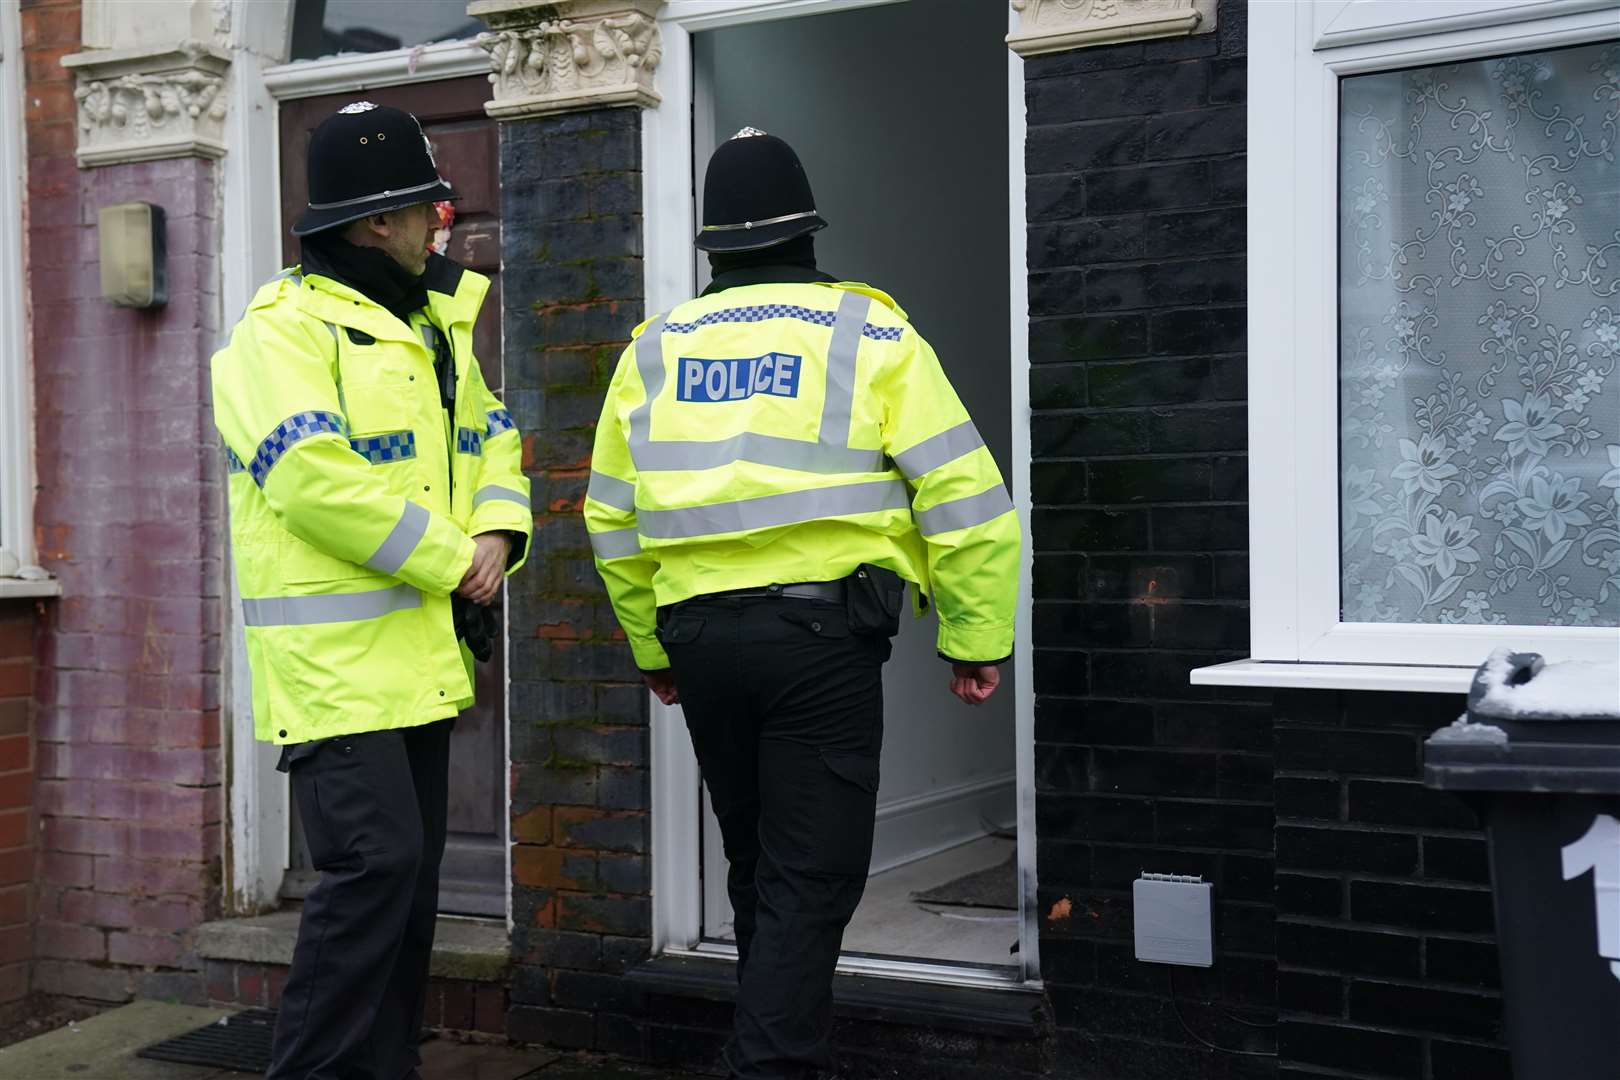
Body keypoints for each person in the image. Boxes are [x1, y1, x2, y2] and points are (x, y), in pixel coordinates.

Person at [584, 127, 1021, 1080]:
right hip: (816, 642)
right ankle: (769, 1066)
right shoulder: (868, 335)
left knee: (760, 868)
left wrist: (651, 649)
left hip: (698, 641)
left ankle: (782, 1054)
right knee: (809, 880)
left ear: (714, 247)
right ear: (808, 232)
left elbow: (609, 519)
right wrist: (973, 635)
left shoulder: (654, 350)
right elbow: (965, 497)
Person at [210, 102, 532, 1080]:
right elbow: (311, 481)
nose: (444, 218)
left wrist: (496, 531)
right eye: (427, 206)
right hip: (335, 670)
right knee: (375, 871)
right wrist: (449, 557)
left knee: (408, 890)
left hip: (419, 662)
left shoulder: (427, 325)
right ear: (374, 222)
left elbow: (493, 439)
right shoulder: (281, 336)